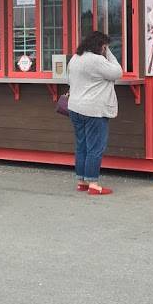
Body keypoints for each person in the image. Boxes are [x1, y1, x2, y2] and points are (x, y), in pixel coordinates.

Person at [67, 31, 122, 195]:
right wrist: (109, 53)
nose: (105, 50)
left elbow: (69, 80)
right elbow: (117, 72)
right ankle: (93, 184)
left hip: (75, 108)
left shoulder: (75, 58)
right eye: (105, 47)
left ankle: (82, 182)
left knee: (81, 146)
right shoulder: (97, 60)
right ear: (101, 46)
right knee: (95, 148)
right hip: (93, 110)